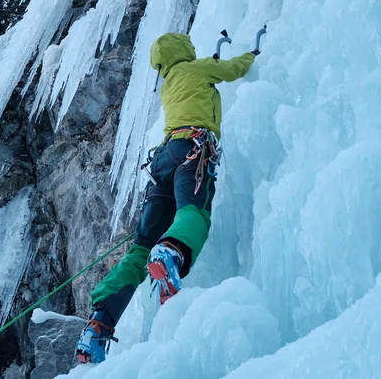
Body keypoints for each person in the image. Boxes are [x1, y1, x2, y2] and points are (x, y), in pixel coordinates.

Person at [75, 32, 257, 364]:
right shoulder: (197, 68)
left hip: (163, 160)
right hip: (192, 150)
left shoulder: (168, 84)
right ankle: (171, 251)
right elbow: (232, 70)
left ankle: (98, 325)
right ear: (185, 50)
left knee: (139, 250)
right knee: (194, 212)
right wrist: (253, 54)